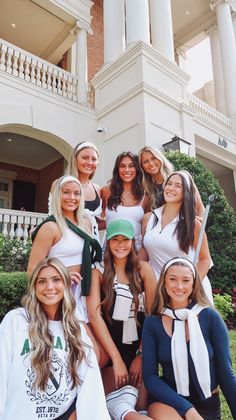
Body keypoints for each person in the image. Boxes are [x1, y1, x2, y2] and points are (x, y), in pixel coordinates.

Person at [0, 257, 110, 420]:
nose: (49, 287)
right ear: (34, 287)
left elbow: (90, 379)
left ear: (66, 284)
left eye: (56, 280)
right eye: (42, 281)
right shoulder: (17, 320)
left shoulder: (75, 328)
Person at [142, 257, 236, 420]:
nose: (179, 286)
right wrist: (187, 409)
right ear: (164, 282)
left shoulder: (210, 317)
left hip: (207, 405)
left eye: (186, 280)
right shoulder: (152, 322)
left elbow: (226, 374)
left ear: (194, 284)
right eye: (172, 279)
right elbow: (150, 376)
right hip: (170, 402)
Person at [86, 219, 157, 420]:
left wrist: (141, 356)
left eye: (125, 239)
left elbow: (152, 316)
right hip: (110, 350)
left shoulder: (144, 269)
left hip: (139, 348)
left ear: (132, 242)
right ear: (107, 242)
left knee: (142, 406)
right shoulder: (97, 272)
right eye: (114, 239)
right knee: (117, 408)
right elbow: (94, 315)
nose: (120, 244)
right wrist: (116, 359)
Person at [27, 175, 102, 322]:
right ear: (57, 195)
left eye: (77, 193)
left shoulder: (85, 223)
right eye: (66, 192)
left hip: (84, 292)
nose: (72, 197)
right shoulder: (51, 227)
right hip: (62, 294)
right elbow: (32, 269)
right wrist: (60, 278)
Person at [139, 170, 213, 303]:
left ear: (186, 193)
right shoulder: (149, 218)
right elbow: (145, 250)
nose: (171, 188)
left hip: (187, 292)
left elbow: (204, 260)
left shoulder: (193, 224)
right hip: (160, 292)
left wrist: (191, 287)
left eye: (178, 186)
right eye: (169, 183)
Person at [50, 141, 102, 240]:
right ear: (75, 159)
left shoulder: (98, 189)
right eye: (85, 158)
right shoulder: (59, 184)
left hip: (89, 241)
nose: (90, 162)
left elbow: (96, 222)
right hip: (64, 239)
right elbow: (53, 214)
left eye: (94, 159)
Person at [102, 151, 151, 252]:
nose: (127, 170)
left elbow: (147, 228)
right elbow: (100, 219)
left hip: (136, 252)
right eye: (122, 166)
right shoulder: (106, 191)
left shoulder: (145, 196)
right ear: (117, 169)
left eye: (131, 166)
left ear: (137, 169)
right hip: (111, 252)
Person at [138, 146, 204, 219]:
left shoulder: (182, 177)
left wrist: (199, 225)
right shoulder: (147, 191)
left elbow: (199, 208)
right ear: (142, 166)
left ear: (160, 158)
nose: (150, 163)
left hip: (185, 227)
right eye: (145, 161)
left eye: (154, 158)